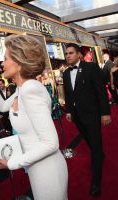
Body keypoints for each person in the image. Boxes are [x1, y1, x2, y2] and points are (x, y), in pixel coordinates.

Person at [0, 34, 68, 200]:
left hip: (48, 171)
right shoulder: (21, 89)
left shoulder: (30, 89)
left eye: (5, 58)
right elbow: (2, 107)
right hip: (37, 168)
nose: (2, 64)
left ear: (18, 62)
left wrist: (11, 163)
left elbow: (51, 143)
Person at [63, 43, 111, 197]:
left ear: (78, 54)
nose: (68, 56)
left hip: (92, 114)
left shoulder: (91, 68)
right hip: (77, 116)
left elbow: (101, 91)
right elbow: (69, 94)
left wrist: (105, 113)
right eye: (66, 53)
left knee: (95, 146)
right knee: (89, 141)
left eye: (71, 53)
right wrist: (69, 111)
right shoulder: (65, 73)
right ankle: (99, 154)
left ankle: (96, 183)